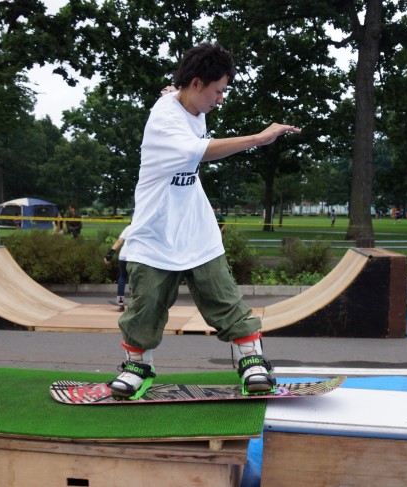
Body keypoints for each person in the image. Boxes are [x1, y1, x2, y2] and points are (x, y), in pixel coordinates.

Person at [110, 42, 301, 399]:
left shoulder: (190, 105)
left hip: (196, 229)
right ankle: (138, 367)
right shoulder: (164, 120)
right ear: (197, 84)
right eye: (218, 91)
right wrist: (259, 138)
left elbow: (177, 96)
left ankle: (252, 363)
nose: (220, 99)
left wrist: (173, 91)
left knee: (223, 296)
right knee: (145, 304)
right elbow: (202, 150)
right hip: (154, 233)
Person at [104, 225, 131, 310]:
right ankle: (137, 302)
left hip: (123, 256)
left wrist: (109, 254)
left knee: (122, 277)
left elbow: (119, 241)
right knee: (136, 278)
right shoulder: (143, 227)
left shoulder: (128, 228)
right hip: (135, 257)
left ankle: (120, 302)